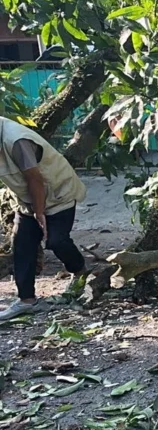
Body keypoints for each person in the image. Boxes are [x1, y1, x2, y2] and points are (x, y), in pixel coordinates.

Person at [0, 115, 89, 321]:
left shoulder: (16, 141)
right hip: (26, 198)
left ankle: (81, 272)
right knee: (22, 243)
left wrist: (39, 212)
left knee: (56, 240)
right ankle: (26, 300)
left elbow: (35, 179)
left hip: (58, 191)